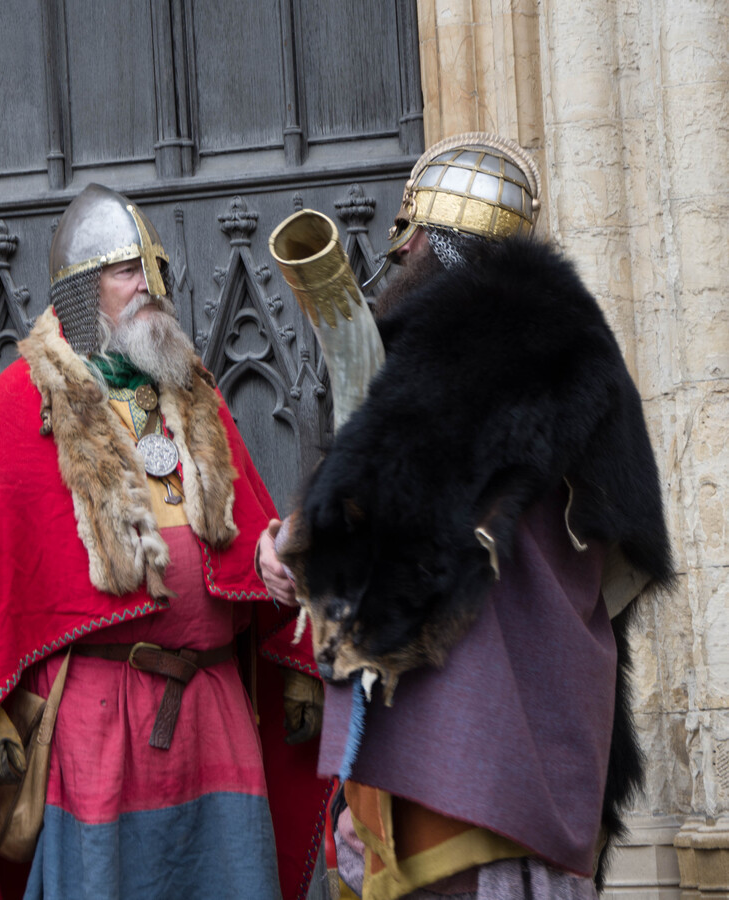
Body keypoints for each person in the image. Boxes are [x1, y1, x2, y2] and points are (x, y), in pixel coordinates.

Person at [258, 134, 674, 899]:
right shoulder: (584, 345)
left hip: (462, 746)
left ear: (417, 240)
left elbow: (386, 517)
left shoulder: (453, 344)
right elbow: (623, 566)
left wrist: (287, 544)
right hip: (550, 729)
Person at [0, 183, 329, 900]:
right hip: (101, 723)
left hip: (215, 712)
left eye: (153, 267)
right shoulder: (18, 405)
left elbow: (246, 537)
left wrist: (274, 580)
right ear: (80, 288)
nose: (149, 286)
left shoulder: (192, 390)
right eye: (126, 269)